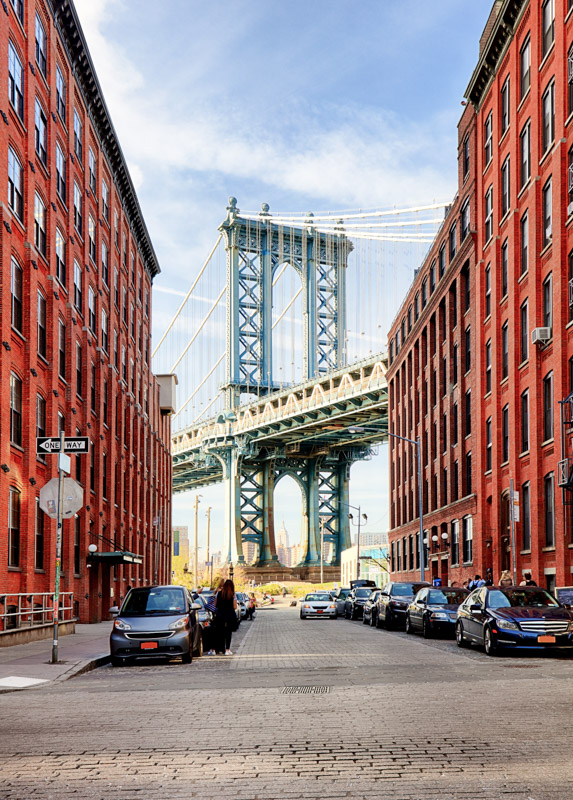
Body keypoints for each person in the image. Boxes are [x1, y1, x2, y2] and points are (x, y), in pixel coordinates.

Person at [214, 579, 237, 656]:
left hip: (220, 615)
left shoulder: (219, 593)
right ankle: (227, 649)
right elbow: (235, 606)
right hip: (229, 615)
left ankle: (221, 649)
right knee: (228, 632)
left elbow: (215, 605)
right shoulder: (233, 594)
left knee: (220, 632)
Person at [206, 579, 224, 656]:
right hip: (221, 616)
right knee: (221, 634)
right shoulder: (224, 594)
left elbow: (210, 606)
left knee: (214, 634)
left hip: (216, 616)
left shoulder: (214, 597)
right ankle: (221, 648)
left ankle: (214, 649)